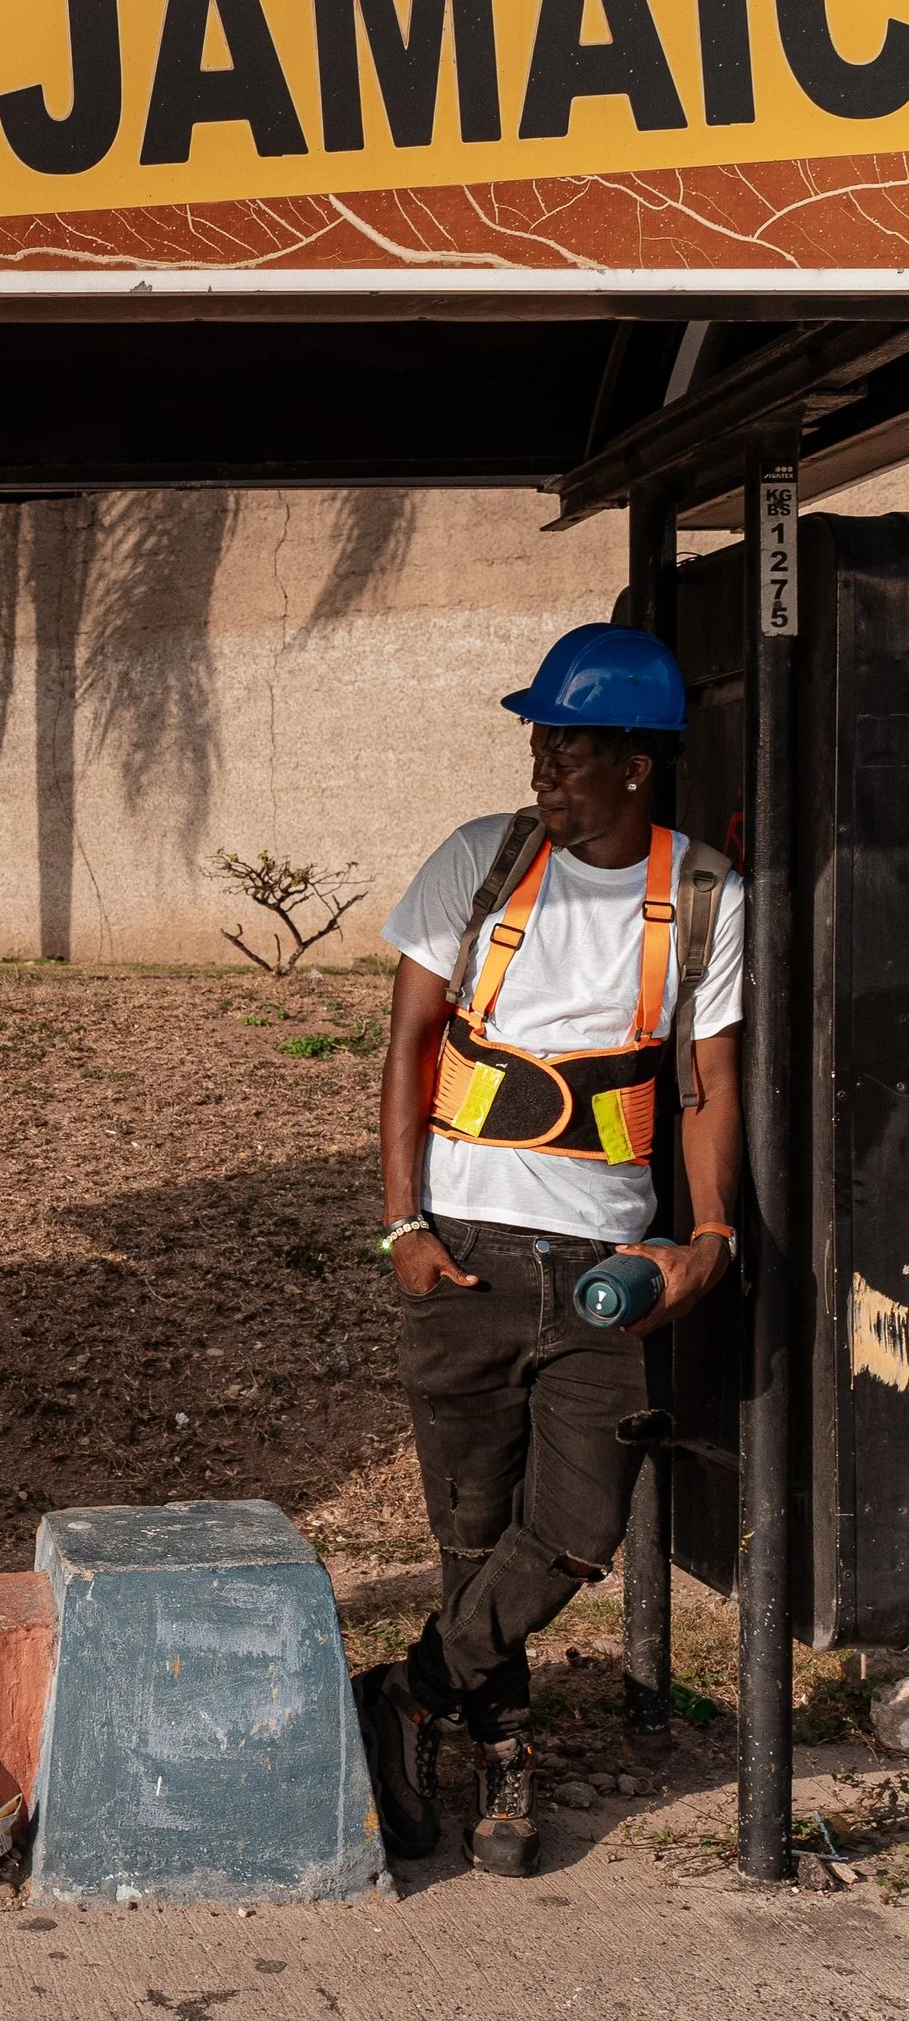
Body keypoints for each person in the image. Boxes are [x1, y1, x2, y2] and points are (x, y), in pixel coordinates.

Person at [358, 623, 743, 1878]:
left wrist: (709, 1234)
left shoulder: (700, 894)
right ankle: (500, 1749)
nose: (542, 759)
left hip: (602, 1265)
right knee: (473, 1527)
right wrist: (404, 1225)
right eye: (538, 735)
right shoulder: (481, 859)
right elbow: (410, 1046)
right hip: (462, 1250)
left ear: (636, 760)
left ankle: (409, 1695)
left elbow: (703, 1083)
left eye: (567, 741)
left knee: (575, 1528)